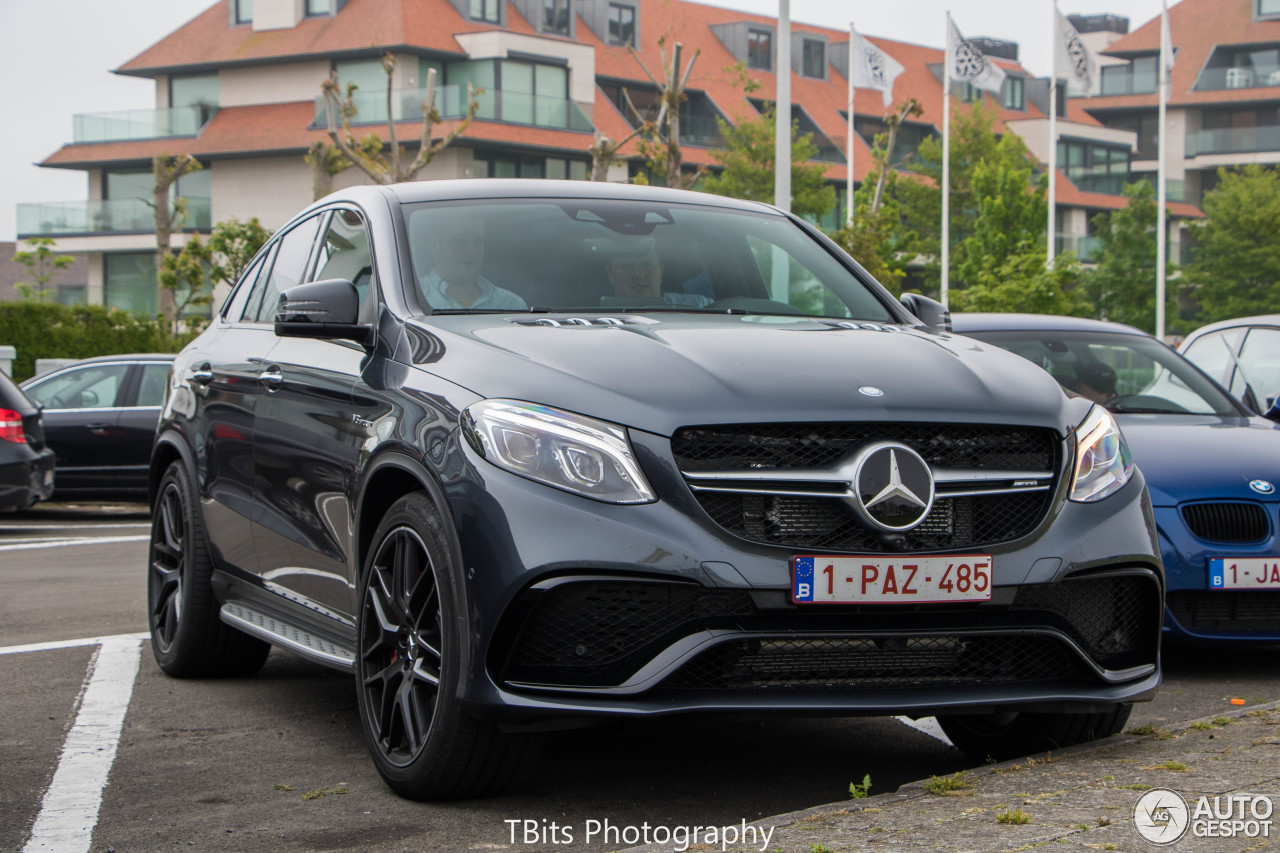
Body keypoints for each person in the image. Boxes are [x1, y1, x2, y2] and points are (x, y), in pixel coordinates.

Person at [419, 217, 526, 310]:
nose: (471, 251)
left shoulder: (511, 304)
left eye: (478, 242)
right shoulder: (412, 298)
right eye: (460, 241)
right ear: (433, 245)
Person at [603, 239, 712, 308]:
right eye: (627, 266)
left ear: (661, 271)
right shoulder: (590, 313)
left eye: (647, 265)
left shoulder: (700, 306)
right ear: (610, 274)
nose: (639, 274)